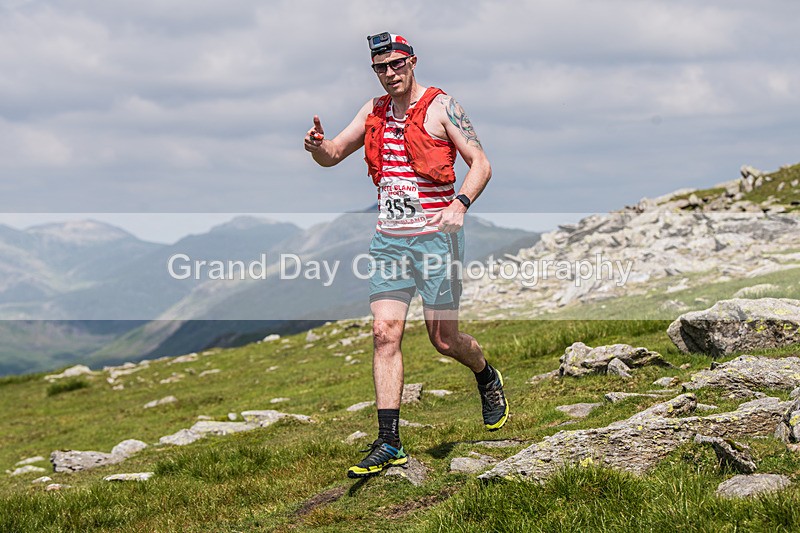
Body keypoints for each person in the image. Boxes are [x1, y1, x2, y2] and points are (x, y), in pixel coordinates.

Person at [304, 32, 508, 478]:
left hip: (437, 240)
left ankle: (485, 374)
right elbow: (335, 153)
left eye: (397, 64)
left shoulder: (441, 106)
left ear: (412, 62)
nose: (390, 73)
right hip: (390, 242)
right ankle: (389, 440)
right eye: (381, 67)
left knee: (444, 341)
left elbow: (481, 163)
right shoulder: (372, 110)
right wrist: (319, 147)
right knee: (384, 332)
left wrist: (460, 204)